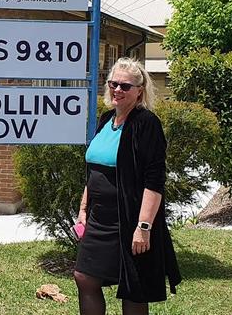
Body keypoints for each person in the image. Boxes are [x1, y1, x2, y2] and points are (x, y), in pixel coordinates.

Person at [73, 58, 181, 315]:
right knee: (84, 276)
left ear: (139, 91)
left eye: (125, 86)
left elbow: (154, 181)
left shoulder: (146, 123)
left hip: (129, 218)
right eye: (113, 84)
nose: (117, 90)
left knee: (133, 286)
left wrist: (143, 227)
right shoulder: (107, 118)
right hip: (99, 219)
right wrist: (83, 209)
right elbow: (95, 170)